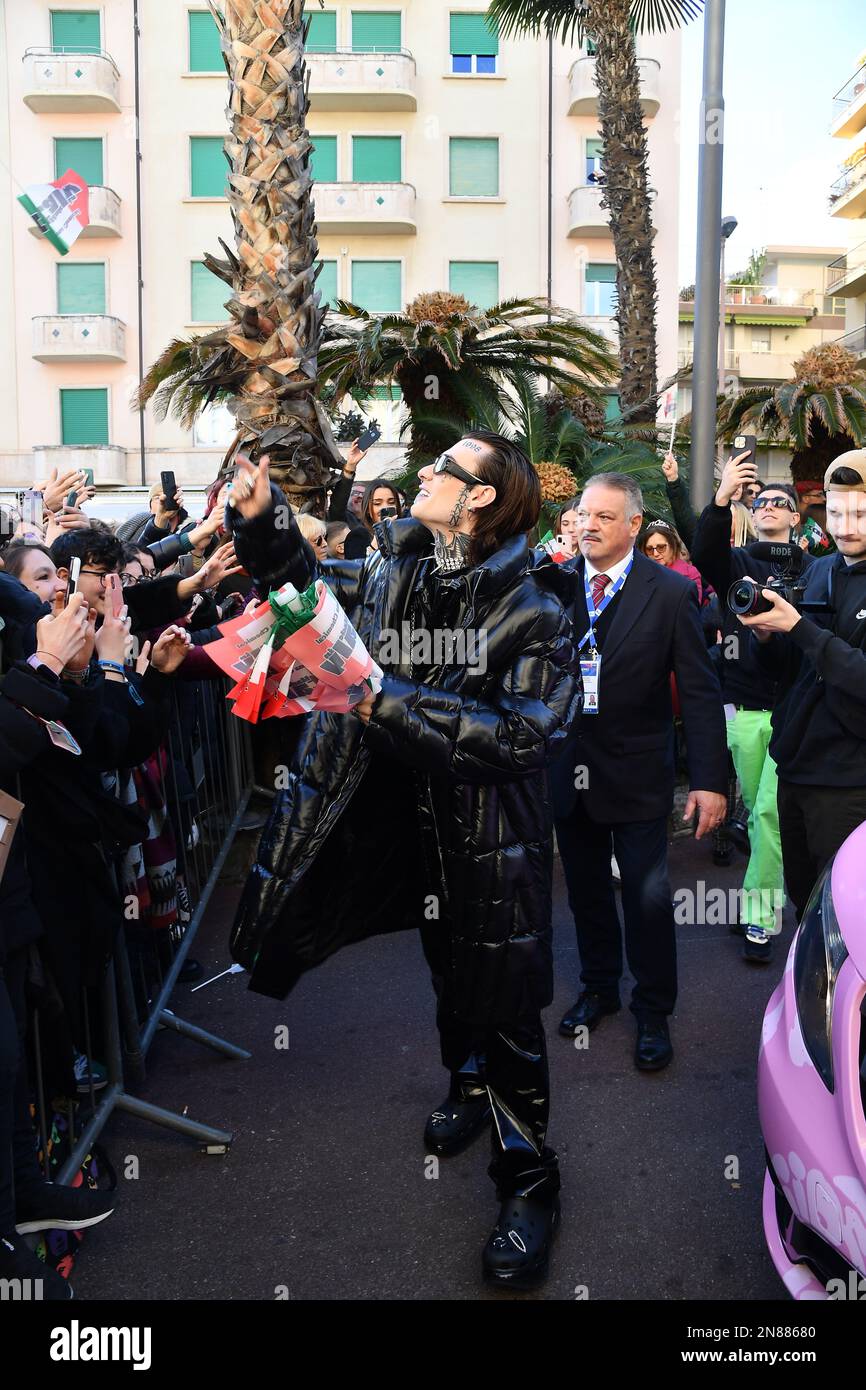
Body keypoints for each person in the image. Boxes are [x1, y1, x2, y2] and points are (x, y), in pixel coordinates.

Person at [225, 431, 580, 1289]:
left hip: (492, 843)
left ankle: (530, 1186)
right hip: (409, 831)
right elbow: (304, 600)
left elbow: (521, 739)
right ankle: (464, 1085)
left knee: (505, 1016)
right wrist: (266, 522)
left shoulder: (538, 608)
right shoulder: (399, 570)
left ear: (482, 499)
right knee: (448, 980)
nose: (422, 473)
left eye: (443, 470)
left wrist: (386, 697)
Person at [550, 473, 727, 1070]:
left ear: (633, 525)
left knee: (648, 901)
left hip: (638, 775)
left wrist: (707, 781)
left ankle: (653, 1009)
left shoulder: (671, 593)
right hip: (566, 772)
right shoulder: (549, 585)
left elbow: (701, 694)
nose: (590, 525)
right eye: (583, 514)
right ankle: (599, 988)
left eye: (604, 516)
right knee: (586, 894)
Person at [691, 460, 812, 962]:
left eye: (780, 503)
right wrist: (721, 498)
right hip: (741, 707)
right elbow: (703, 551)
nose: (768, 508)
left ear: (796, 520)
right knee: (763, 811)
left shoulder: (814, 568)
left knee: (767, 813)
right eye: (761, 502)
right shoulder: (736, 564)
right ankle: (787, 887)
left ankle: (761, 916)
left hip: (790, 711)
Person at [738, 451, 866, 922]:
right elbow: (784, 671)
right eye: (835, 513)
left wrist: (802, 629)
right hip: (795, 769)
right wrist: (766, 637)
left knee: (844, 915)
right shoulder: (820, 569)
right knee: (802, 900)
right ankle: (805, 994)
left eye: (860, 513)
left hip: (851, 781)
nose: (845, 526)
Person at [639, 519, 705, 602]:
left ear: (673, 545)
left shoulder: (690, 573)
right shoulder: (639, 573)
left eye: (661, 547)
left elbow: (691, 607)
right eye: (649, 549)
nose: (655, 554)